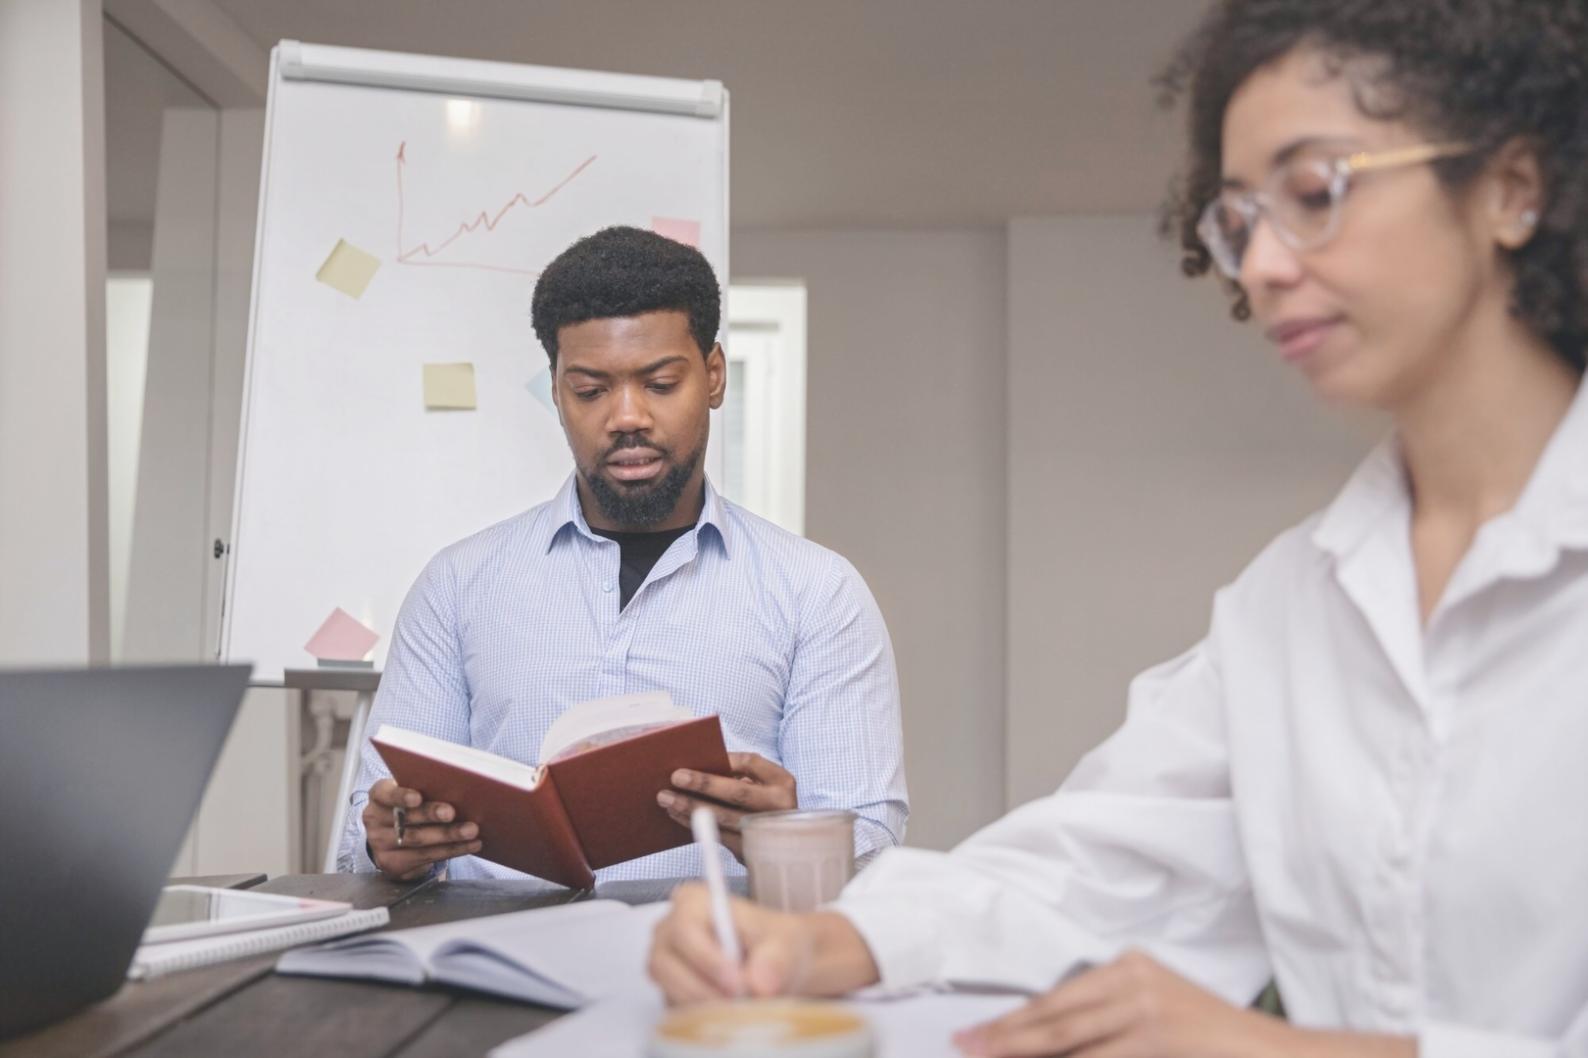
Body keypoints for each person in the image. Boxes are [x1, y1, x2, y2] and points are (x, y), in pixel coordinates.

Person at [647, 2, 1588, 1054]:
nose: (1263, 266)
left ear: (1512, 187)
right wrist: (822, 942)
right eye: (1237, 220)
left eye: (1316, 190)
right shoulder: (1295, 602)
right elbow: (1093, 865)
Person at [337, 226, 908, 883]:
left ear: (714, 377)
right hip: (492, 967)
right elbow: (368, 835)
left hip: (713, 969)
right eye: (590, 390)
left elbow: (874, 855)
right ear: (555, 391)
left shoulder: (817, 591)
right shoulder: (459, 584)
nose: (627, 416)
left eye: (661, 384)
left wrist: (791, 835)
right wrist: (389, 843)